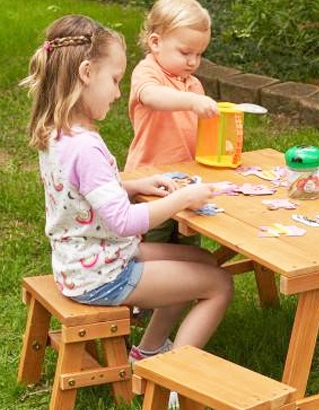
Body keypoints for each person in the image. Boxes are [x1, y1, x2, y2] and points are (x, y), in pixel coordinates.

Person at [21, 15, 233, 408]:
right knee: (219, 285)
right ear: (86, 73)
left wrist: (130, 186)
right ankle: (174, 386)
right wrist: (183, 200)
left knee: (201, 259)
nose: (120, 93)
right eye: (115, 80)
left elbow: (81, 192)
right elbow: (126, 221)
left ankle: (149, 353)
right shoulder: (86, 147)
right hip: (101, 274)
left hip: (82, 260)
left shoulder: (59, 130)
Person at [124, 0, 218, 244]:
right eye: (185, 52)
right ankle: (154, 280)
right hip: (151, 181)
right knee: (153, 242)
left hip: (187, 181)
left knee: (189, 242)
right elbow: (152, 96)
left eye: (199, 54)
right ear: (156, 43)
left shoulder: (193, 84)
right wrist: (191, 101)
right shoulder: (147, 72)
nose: (192, 62)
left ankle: (189, 279)